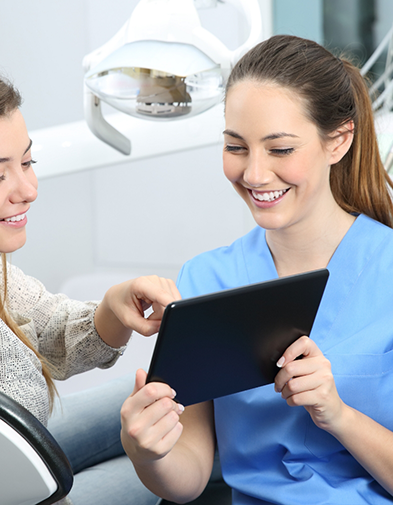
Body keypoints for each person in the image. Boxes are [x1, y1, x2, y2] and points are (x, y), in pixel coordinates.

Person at [0, 61, 181, 505]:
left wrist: (113, 308)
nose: (27, 189)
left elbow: (47, 329)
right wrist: (154, 470)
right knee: (169, 444)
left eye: (27, 162)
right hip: (11, 493)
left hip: (18, 458)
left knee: (171, 394)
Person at [120, 34, 393, 504]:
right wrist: (147, 451)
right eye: (236, 146)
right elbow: (189, 477)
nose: (254, 174)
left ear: (339, 140)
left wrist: (338, 415)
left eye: (281, 149)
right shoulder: (205, 280)